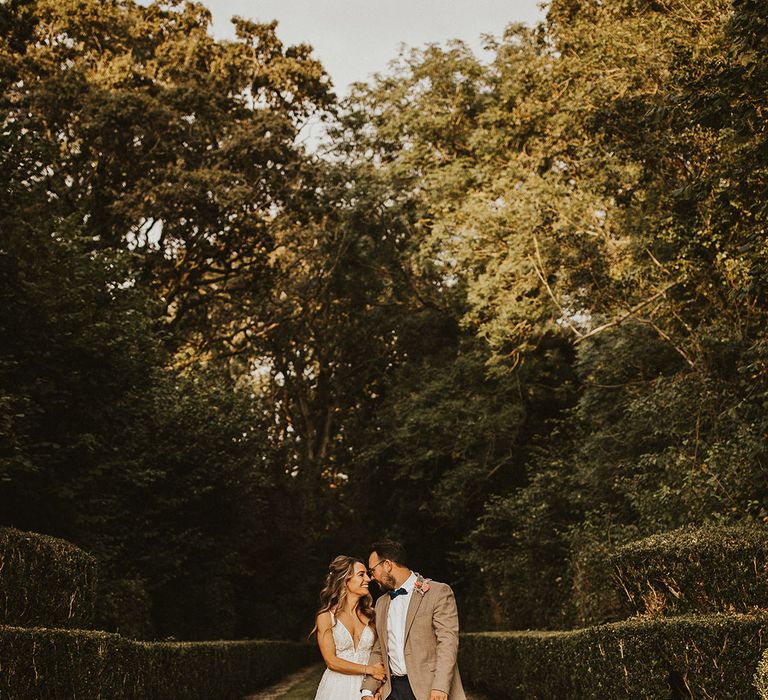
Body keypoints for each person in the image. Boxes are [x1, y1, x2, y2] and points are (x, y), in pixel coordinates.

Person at [361, 540, 466, 700]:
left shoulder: (438, 592)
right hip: (393, 691)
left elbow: (447, 643)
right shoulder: (381, 603)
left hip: (429, 688)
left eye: (372, 570)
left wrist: (440, 686)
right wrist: (368, 690)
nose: (372, 576)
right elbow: (379, 649)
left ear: (387, 565)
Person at [313, 555, 387, 700]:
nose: (368, 579)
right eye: (361, 575)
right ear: (345, 580)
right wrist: (369, 670)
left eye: (367, 574)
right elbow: (331, 661)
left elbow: (380, 655)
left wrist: (379, 687)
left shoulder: (372, 616)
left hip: (367, 688)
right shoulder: (326, 617)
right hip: (336, 688)